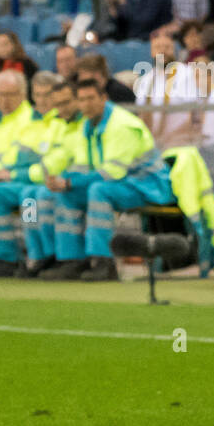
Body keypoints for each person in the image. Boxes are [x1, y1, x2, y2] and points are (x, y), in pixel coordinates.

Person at [39, 76, 175, 281]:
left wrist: (67, 181)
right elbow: (80, 164)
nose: (85, 104)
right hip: (116, 184)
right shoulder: (84, 125)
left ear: (104, 98)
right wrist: (59, 180)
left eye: (90, 98)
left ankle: (103, 261)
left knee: (95, 191)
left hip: (145, 184)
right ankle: (66, 259)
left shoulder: (120, 124)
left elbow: (113, 172)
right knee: (42, 195)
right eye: (82, 100)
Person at [0, 75, 80, 277]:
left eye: (47, 95)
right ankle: (34, 256)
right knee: (26, 198)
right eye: (38, 95)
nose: (42, 100)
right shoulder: (33, 124)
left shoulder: (61, 122)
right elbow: (12, 158)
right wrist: (6, 171)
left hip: (46, 182)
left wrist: (17, 173)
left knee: (29, 200)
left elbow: (55, 162)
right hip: (27, 182)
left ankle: (40, 256)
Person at [0, 71, 36, 274]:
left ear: (22, 93)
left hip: (21, 180)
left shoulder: (30, 120)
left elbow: (13, 162)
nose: (5, 100)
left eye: (10, 94)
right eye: (0, 94)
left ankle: (7, 258)